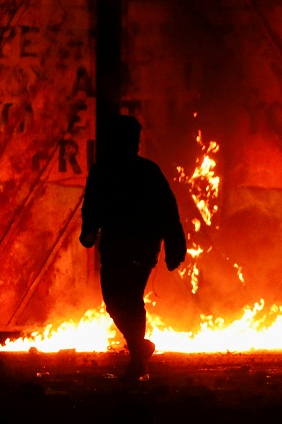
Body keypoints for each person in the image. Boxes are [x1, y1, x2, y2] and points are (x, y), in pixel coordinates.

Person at [80, 114, 187, 381]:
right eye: (130, 140)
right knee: (113, 302)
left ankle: (138, 360)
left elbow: (167, 210)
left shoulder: (148, 172)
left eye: (135, 141)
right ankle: (139, 347)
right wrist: (89, 231)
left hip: (142, 246)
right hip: (115, 246)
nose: (134, 145)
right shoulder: (103, 172)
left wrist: (174, 244)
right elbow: (92, 204)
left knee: (130, 297)